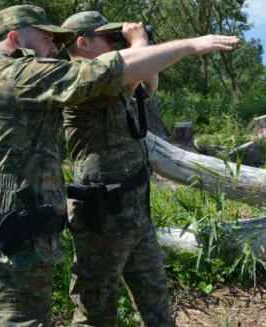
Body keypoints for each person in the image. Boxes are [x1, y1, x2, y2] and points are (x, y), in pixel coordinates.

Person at [0, 4, 239, 326]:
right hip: (53, 227)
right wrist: (180, 45)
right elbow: (110, 72)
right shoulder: (44, 82)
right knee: (92, 309)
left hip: (7, 228)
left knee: (149, 300)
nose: (53, 49)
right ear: (15, 39)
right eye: (46, 39)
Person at [60, 12, 167, 326]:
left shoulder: (114, 79)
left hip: (134, 206)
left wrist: (140, 47)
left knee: (155, 296)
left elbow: (150, 81)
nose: (116, 45)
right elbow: (138, 69)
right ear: (83, 42)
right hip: (102, 212)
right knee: (95, 308)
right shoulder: (78, 80)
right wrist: (139, 43)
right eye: (108, 39)